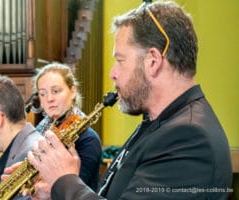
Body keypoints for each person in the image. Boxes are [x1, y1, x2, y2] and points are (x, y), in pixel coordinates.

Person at [26, 1, 233, 199]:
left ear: (153, 61)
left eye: (120, 60)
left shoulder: (189, 138)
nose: (112, 73)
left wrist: (64, 180)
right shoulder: (158, 123)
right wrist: (56, 192)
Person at [33, 63, 102, 192]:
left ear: (73, 92)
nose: (49, 99)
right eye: (42, 93)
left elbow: (73, 190)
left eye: (56, 91)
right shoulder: (38, 132)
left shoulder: (88, 139)